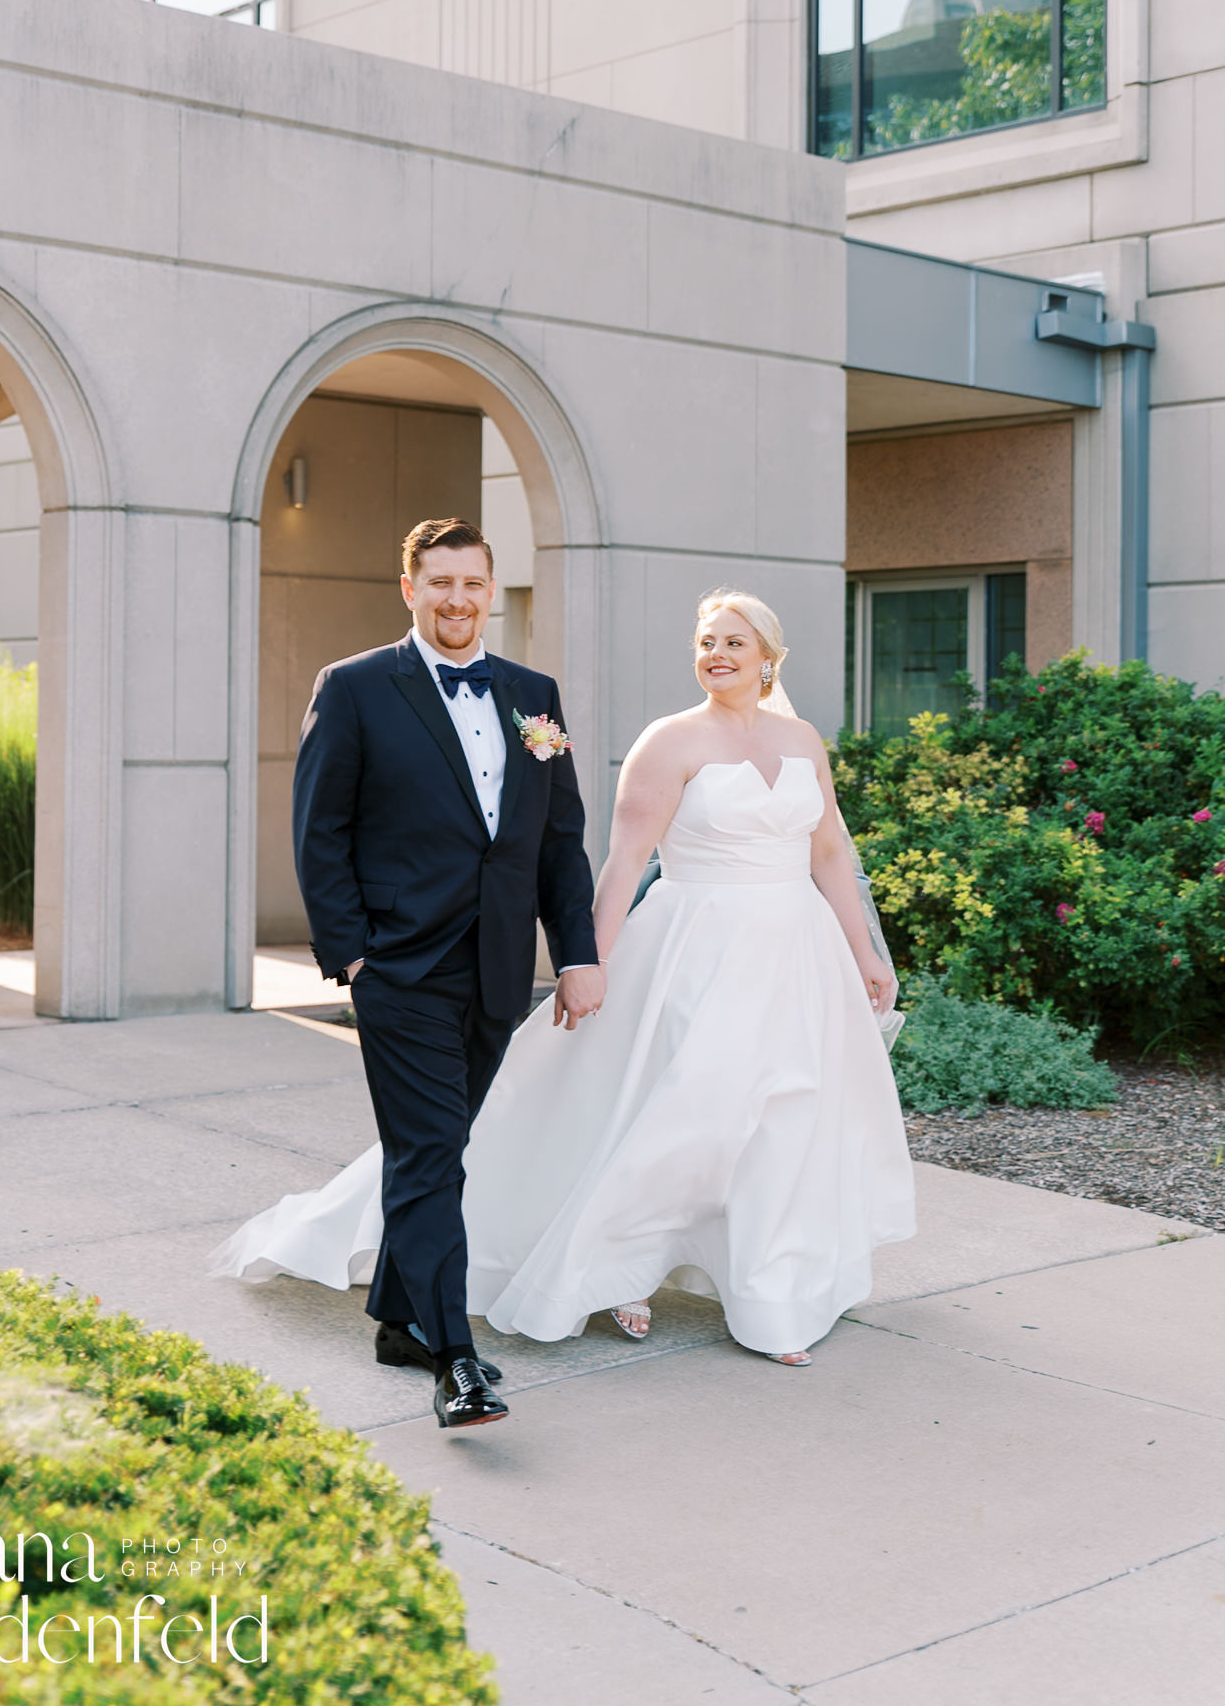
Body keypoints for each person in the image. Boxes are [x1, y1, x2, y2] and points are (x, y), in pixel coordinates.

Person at [217, 587, 914, 1372]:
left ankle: (773, 1292)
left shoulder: (800, 740)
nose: (715, 654)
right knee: (692, 1118)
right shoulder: (669, 741)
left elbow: (827, 854)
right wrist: (590, 961)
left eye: (733, 643)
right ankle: (619, 1261)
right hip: (695, 952)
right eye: (705, 642)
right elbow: (621, 862)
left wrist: (861, 953)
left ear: (766, 658)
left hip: (796, 953)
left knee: (789, 1118)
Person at [213, 517, 603, 1428]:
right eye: (440, 584)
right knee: (431, 1156)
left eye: (472, 584)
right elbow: (321, 830)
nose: (458, 600)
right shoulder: (353, 688)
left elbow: (558, 842)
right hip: (401, 969)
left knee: (434, 1153)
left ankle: (396, 1317)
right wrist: (351, 953)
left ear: (489, 590)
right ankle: (454, 1359)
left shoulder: (531, 695)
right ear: (410, 590)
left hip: (500, 971)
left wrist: (575, 954)